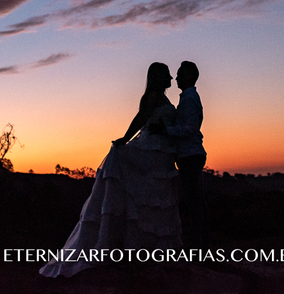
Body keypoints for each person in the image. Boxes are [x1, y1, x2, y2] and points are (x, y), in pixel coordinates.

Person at [39, 62, 181, 278]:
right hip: (150, 148)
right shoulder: (152, 96)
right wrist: (125, 139)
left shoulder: (161, 97)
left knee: (153, 198)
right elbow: (140, 119)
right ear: (158, 77)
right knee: (147, 196)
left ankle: (150, 251)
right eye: (167, 75)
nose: (171, 79)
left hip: (161, 152)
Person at [163, 60, 208, 249]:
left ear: (189, 76)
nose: (177, 77)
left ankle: (199, 244)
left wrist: (166, 130)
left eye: (180, 73)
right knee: (192, 200)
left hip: (190, 155)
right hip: (188, 155)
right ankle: (198, 242)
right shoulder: (187, 97)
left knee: (193, 201)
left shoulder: (189, 98)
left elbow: (190, 128)